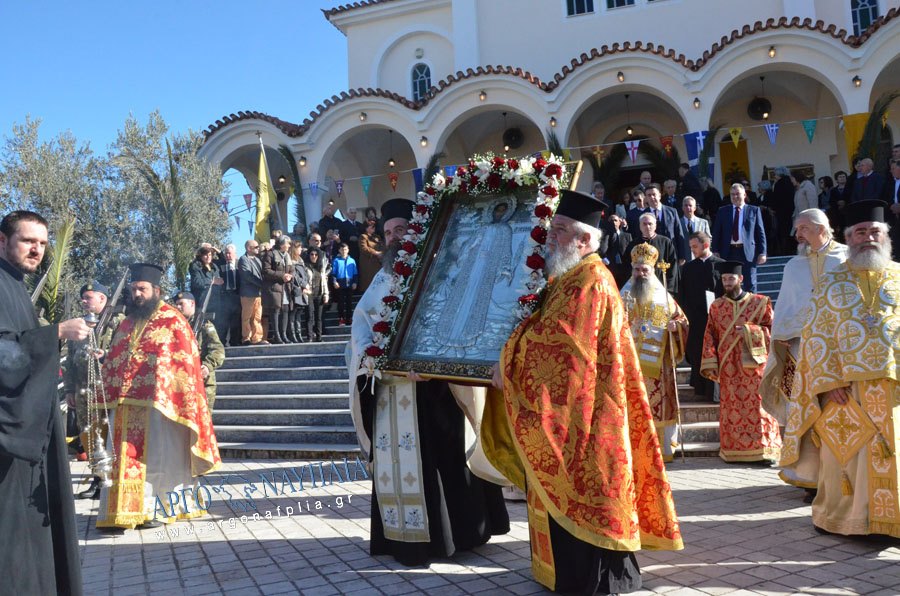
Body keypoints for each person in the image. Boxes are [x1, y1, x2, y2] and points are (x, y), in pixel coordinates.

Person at [484, 190, 682, 593]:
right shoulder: (570, 277)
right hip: (584, 407)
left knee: (591, 489)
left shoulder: (590, 280)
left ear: (585, 240)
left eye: (559, 231)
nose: (549, 239)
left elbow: (562, 347)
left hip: (590, 413)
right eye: (552, 230)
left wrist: (510, 356)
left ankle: (592, 579)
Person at [349, 197, 510, 566]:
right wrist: (374, 359)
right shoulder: (380, 280)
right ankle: (402, 537)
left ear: (416, 231)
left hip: (435, 387)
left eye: (400, 230)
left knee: (445, 458)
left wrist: (426, 358)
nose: (392, 238)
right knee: (402, 461)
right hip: (391, 387)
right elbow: (361, 329)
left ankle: (459, 534)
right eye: (388, 232)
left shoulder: (441, 271)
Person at [782, 200, 900, 538]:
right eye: (860, 232)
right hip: (847, 390)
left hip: (894, 388)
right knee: (851, 458)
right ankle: (851, 519)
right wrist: (828, 382)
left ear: (885, 235)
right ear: (849, 238)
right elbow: (817, 335)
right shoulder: (832, 283)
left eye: (874, 231)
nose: (868, 238)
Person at [0, 210, 88, 595]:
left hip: (28, 427)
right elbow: (5, 355)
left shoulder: (15, 285)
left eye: (42, 242)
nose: (36, 249)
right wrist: (56, 332)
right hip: (9, 439)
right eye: (27, 241)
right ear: (3, 241)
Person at [97, 263, 220, 530]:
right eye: (133, 289)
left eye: (142, 289)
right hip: (126, 405)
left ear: (157, 290)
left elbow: (185, 363)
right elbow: (116, 360)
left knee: (160, 460)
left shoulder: (174, 321)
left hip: (163, 408)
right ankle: (123, 511)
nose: (137, 294)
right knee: (122, 457)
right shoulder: (127, 324)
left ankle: (156, 509)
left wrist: (167, 391)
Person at [760, 209, 846, 497]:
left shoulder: (846, 260)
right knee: (805, 409)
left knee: (840, 409)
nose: (797, 234)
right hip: (801, 351)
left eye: (803, 228)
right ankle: (809, 475)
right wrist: (783, 337)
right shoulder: (793, 266)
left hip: (840, 350)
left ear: (822, 228)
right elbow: (785, 308)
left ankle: (844, 475)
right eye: (797, 229)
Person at [701, 261, 781, 463]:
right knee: (732, 408)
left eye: (731, 278)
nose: (727, 282)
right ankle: (733, 450)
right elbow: (709, 335)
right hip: (729, 367)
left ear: (741, 279)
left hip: (754, 365)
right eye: (724, 279)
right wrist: (711, 362)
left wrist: (749, 331)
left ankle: (764, 450)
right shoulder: (717, 307)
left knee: (759, 406)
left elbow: (772, 330)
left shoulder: (760, 302)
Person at [620, 243, 689, 462]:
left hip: (658, 367)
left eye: (645, 270)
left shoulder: (663, 296)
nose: (640, 274)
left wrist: (675, 327)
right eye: (637, 270)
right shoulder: (622, 296)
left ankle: (661, 450)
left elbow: (683, 320)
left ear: (652, 271)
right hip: (629, 363)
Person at [63, 280, 125, 499]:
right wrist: (69, 389)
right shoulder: (78, 324)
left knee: (107, 435)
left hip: (108, 390)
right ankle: (97, 477)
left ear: (102, 299)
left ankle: (110, 479)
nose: (84, 301)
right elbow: (69, 360)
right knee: (88, 434)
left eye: (88, 297)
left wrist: (106, 356)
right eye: (83, 297)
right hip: (83, 391)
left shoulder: (119, 322)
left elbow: (127, 352)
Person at [678, 232, 723, 401]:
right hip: (696, 320)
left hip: (717, 319)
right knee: (698, 353)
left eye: (695, 247)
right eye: (690, 247)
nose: (692, 250)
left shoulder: (721, 265)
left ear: (705, 245)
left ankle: (717, 392)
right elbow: (683, 295)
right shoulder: (688, 268)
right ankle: (702, 390)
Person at [173, 291, 225, 410]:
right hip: (182, 381)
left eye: (181, 304)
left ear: (192, 304)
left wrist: (207, 366)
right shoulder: (176, 326)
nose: (178, 307)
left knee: (202, 422)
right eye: (176, 304)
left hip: (202, 382)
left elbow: (218, 349)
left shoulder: (204, 325)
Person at [711, 183, 767, 292]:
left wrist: (762, 252)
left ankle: (751, 308)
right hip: (729, 252)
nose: (735, 197)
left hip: (748, 252)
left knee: (750, 283)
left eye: (738, 194)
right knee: (730, 283)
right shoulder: (723, 211)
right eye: (732, 194)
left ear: (744, 195)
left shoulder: (753, 210)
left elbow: (760, 233)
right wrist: (716, 250)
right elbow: (717, 232)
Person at [625, 212, 678, 293]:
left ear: (655, 225)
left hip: (661, 288)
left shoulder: (666, 242)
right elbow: (628, 267)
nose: (647, 226)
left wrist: (668, 289)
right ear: (640, 226)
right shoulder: (633, 244)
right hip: (639, 288)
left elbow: (673, 266)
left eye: (650, 224)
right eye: (644, 224)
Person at [262, 235, 294, 344]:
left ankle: (284, 335)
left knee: (285, 310)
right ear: (281, 244)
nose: (289, 245)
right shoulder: (270, 254)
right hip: (274, 288)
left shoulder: (287, 256)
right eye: (287, 243)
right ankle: (277, 335)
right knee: (275, 311)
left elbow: (291, 269)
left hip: (285, 288)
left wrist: (290, 276)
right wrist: (282, 276)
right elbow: (266, 271)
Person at [644, 184, 687, 263]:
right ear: (646, 198)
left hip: (671, 253)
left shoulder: (672, 212)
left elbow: (679, 233)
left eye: (654, 194)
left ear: (659, 195)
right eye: (649, 195)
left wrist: (682, 255)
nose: (652, 197)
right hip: (651, 255)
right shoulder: (643, 215)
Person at [238, 239, 266, 345]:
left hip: (258, 294)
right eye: (256, 247)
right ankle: (246, 338)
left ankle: (257, 338)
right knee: (247, 317)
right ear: (249, 248)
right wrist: (261, 284)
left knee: (257, 317)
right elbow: (247, 275)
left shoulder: (258, 260)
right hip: (248, 294)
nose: (258, 248)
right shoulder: (243, 259)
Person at [214, 243, 242, 346]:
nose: (228, 256)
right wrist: (215, 250)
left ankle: (235, 342)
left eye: (230, 253)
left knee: (236, 321)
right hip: (224, 296)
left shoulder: (239, 264)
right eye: (226, 253)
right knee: (224, 321)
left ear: (235, 254)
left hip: (237, 295)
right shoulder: (220, 264)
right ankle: (222, 342)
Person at [330, 242, 358, 326]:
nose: (344, 251)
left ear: (348, 250)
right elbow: (333, 273)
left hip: (349, 283)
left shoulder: (352, 260)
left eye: (345, 249)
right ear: (339, 250)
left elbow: (355, 273)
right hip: (340, 283)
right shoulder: (336, 260)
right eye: (342, 249)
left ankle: (349, 318)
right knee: (341, 302)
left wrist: (355, 282)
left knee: (349, 302)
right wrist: (334, 281)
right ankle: (341, 319)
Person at [305, 247, 330, 342]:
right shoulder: (306, 266)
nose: (314, 256)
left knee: (319, 317)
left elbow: (324, 282)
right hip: (309, 293)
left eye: (316, 254)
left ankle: (319, 337)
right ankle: (310, 336)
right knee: (310, 315)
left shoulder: (321, 267)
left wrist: (326, 294)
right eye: (312, 254)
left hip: (320, 293)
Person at [287, 242, 310, 342]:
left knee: (299, 314)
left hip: (303, 290)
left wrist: (306, 284)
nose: (301, 249)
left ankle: (299, 334)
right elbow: (294, 276)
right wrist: (303, 285)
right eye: (299, 248)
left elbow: (305, 275)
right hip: (295, 290)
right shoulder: (290, 262)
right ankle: (293, 335)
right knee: (293, 313)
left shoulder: (301, 261)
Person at [605, 213, 633, 287]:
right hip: (610, 267)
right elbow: (602, 250)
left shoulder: (627, 236)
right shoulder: (604, 235)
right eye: (611, 220)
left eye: (615, 220)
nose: (613, 222)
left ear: (619, 222)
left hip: (624, 268)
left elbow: (631, 252)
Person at [358, 218, 384, 292]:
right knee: (369, 283)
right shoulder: (363, 237)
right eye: (371, 227)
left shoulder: (377, 237)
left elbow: (382, 245)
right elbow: (364, 249)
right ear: (366, 228)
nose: (373, 228)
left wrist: (382, 252)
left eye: (374, 227)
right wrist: (376, 252)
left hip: (378, 263)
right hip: (368, 264)